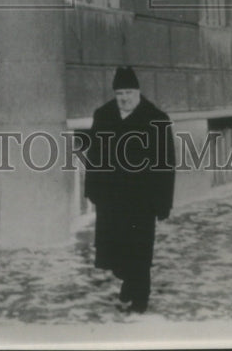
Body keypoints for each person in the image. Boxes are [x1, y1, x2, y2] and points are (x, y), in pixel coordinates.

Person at [82, 66, 175, 315]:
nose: (123, 97)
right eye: (119, 92)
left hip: (141, 199)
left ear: (138, 92)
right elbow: (94, 156)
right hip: (111, 198)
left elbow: (166, 164)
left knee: (140, 248)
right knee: (114, 248)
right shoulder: (103, 115)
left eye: (128, 92)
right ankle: (128, 279)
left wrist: (163, 201)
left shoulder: (156, 118)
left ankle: (140, 295)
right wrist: (91, 188)